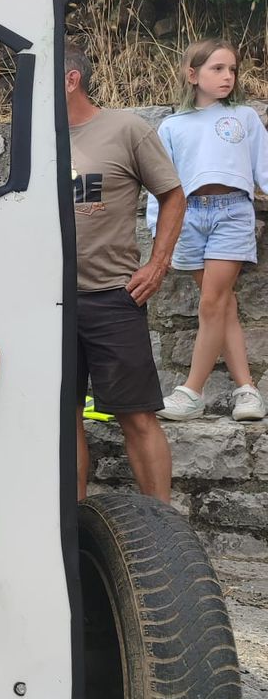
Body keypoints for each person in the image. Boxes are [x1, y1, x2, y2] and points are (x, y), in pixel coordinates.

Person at [67, 42, 185, 503]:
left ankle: (164, 528)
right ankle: (70, 531)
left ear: (71, 79)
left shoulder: (126, 129)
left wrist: (157, 265)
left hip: (112, 298)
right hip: (52, 301)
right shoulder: (39, 138)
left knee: (136, 416)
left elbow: (173, 195)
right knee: (65, 416)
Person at [152, 39, 268, 422]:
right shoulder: (172, 126)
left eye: (232, 69)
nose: (227, 76)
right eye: (217, 68)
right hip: (188, 217)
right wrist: (159, 230)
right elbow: (163, 183)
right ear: (192, 74)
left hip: (231, 212)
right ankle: (247, 390)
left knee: (212, 304)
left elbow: (264, 169)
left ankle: (191, 391)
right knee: (223, 307)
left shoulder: (244, 117)